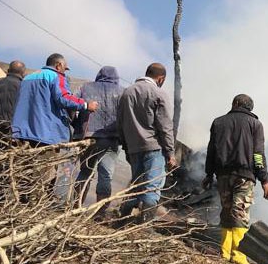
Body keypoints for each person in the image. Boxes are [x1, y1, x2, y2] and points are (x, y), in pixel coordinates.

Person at [202, 93, 268, 264]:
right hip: (244, 176)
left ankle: (225, 252)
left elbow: (211, 150)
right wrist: (264, 179)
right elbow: (258, 155)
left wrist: (208, 174)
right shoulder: (255, 124)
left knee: (227, 212)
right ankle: (239, 255)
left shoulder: (218, 122)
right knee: (240, 213)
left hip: (223, 175)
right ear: (250, 108)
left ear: (234, 103)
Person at [116, 63, 175, 222]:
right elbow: (165, 126)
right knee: (152, 188)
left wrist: (126, 146)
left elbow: (120, 123)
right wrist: (170, 153)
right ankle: (145, 227)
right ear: (161, 78)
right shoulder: (159, 93)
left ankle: (122, 221)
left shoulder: (127, 92)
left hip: (134, 148)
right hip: (154, 148)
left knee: (136, 186)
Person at [11, 53, 97, 146]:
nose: (64, 72)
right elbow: (64, 98)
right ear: (59, 65)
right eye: (65, 68)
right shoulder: (55, 76)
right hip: (45, 134)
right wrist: (86, 105)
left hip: (22, 133)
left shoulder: (27, 78)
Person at [72, 66, 124, 214]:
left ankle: (76, 207)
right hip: (111, 139)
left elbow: (72, 107)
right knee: (106, 175)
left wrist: (75, 127)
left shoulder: (85, 87)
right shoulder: (122, 92)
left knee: (85, 172)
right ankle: (100, 212)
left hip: (88, 137)